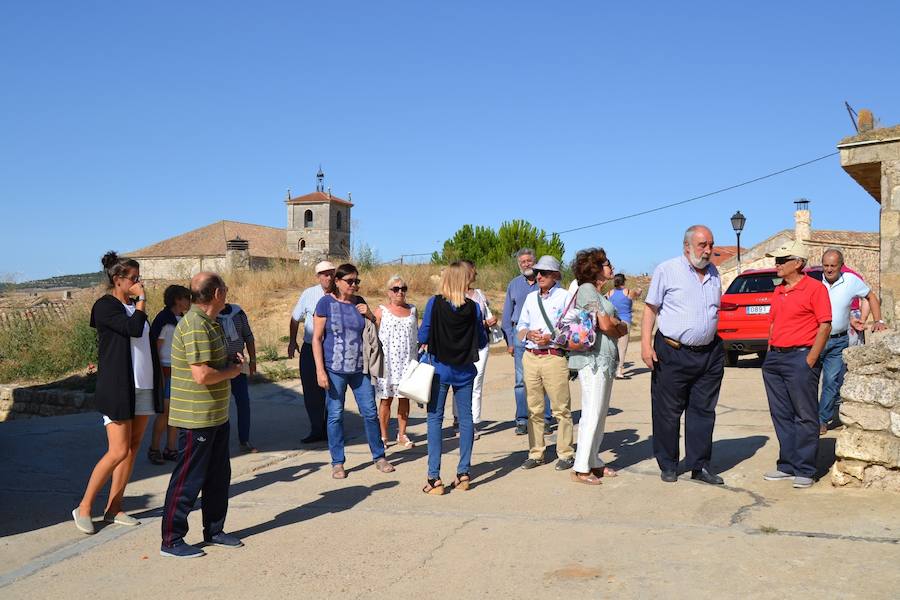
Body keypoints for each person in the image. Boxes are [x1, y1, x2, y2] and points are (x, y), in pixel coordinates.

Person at [73, 252, 163, 535]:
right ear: (118, 279)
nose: (139, 283)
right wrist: (142, 302)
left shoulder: (132, 308)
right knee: (118, 450)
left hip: (143, 385)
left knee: (133, 449)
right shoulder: (105, 306)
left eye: (139, 278)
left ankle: (114, 507)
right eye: (134, 279)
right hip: (119, 388)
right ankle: (84, 507)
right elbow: (134, 330)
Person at [160, 272, 244, 558]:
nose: (228, 291)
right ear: (217, 293)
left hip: (216, 415)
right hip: (196, 418)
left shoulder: (212, 322)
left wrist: (231, 361)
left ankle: (215, 530)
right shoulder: (195, 324)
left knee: (218, 478)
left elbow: (213, 363)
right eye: (225, 287)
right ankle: (171, 540)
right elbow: (202, 375)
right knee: (188, 480)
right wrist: (233, 371)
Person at [641, 225, 725, 485]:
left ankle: (700, 466)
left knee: (703, 412)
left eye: (710, 244)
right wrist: (645, 345)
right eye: (702, 245)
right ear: (687, 246)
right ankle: (668, 463)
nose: (708, 250)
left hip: (708, 354)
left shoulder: (714, 273)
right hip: (672, 352)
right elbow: (650, 310)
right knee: (668, 412)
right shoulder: (667, 270)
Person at [312, 263, 395, 479]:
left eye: (357, 281)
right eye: (350, 281)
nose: (354, 285)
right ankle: (337, 462)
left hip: (360, 368)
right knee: (335, 415)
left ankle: (379, 456)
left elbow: (375, 329)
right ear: (337, 282)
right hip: (334, 369)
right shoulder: (325, 303)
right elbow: (316, 339)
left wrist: (370, 315)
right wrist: (320, 370)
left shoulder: (360, 303)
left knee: (369, 412)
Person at [761, 241, 832, 489]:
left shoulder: (815, 289)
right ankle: (787, 465)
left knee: (805, 415)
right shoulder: (779, 290)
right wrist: (770, 351)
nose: (777, 265)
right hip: (775, 359)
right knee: (781, 414)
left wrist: (810, 359)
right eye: (777, 261)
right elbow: (773, 323)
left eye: (782, 260)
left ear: (798, 263)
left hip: (800, 358)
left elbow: (825, 325)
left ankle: (805, 469)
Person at [418, 262, 488, 494]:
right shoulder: (474, 308)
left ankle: (434, 477)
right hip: (465, 370)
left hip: (439, 368)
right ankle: (463, 473)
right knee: (466, 419)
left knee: (435, 419)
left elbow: (423, 334)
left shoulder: (435, 303)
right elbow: (481, 340)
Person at [569, 249, 627, 484]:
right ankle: (581, 467)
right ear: (595, 268)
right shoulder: (586, 289)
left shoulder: (599, 294)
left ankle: (594, 461)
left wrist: (615, 323)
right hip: (592, 360)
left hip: (604, 360)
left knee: (600, 413)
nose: (611, 267)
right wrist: (617, 326)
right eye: (606, 263)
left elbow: (610, 321)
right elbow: (605, 323)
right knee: (591, 412)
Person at [817, 249, 886, 434]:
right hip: (815, 339)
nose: (829, 269)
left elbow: (871, 296)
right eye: (825, 265)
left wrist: (878, 321)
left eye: (833, 266)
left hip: (838, 340)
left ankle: (822, 420)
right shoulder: (815, 282)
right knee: (809, 381)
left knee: (831, 381)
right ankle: (808, 419)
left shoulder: (851, 281)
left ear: (841, 265)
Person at [516, 255, 575, 471]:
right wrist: (528, 334)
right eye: (537, 272)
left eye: (544, 273)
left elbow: (573, 329)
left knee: (561, 409)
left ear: (555, 276)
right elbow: (520, 326)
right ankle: (536, 452)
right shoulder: (531, 298)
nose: (538, 276)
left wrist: (551, 337)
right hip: (531, 357)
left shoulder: (565, 296)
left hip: (553, 357)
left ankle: (566, 453)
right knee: (534, 409)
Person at [501, 248, 553, 436]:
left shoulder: (546, 281)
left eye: (529, 261)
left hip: (542, 335)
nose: (526, 264)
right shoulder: (514, 284)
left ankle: (546, 418)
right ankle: (522, 419)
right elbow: (507, 315)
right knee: (521, 381)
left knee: (545, 378)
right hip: (520, 335)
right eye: (522, 261)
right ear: (519, 264)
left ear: (535, 262)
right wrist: (510, 340)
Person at [288, 261, 336, 444]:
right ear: (318, 276)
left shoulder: (340, 294)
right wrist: (292, 341)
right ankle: (316, 429)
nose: (328, 277)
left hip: (332, 350)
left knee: (333, 390)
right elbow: (295, 319)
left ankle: (332, 429)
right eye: (324, 274)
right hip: (309, 348)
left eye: (331, 273)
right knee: (311, 390)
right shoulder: (308, 294)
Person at [449, 260, 496, 439]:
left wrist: (491, 321)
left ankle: (473, 422)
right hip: (461, 346)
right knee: (459, 382)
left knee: (476, 383)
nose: (476, 274)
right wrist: (482, 322)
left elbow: (485, 314)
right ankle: (458, 419)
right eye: (473, 271)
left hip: (481, 344)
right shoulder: (452, 296)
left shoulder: (479, 294)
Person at [148, 284, 192, 465]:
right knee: (165, 413)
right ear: (177, 299)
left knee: (175, 414)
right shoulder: (164, 320)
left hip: (179, 372)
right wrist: (158, 375)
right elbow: (156, 350)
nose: (189, 301)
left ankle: (171, 449)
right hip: (166, 372)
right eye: (186, 298)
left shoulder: (181, 318)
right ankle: (154, 449)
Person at [374, 275, 417, 449]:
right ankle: (383, 436)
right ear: (389, 292)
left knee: (405, 398)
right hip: (388, 363)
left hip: (408, 361)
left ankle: (402, 434)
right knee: (386, 399)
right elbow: (372, 336)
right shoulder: (381, 311)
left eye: (403, 289)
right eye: (396, 289)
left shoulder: (413, 310)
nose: (400, 292)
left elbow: (416, 334)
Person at [217, 302, 258, 452]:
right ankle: (219, 443)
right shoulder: (212, 316)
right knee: (220, 406)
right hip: (220, 367)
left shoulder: (238, 312)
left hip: (238, 365)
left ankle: (244, 440)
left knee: (243, 402)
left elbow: (248, 336)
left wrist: (253, 360)